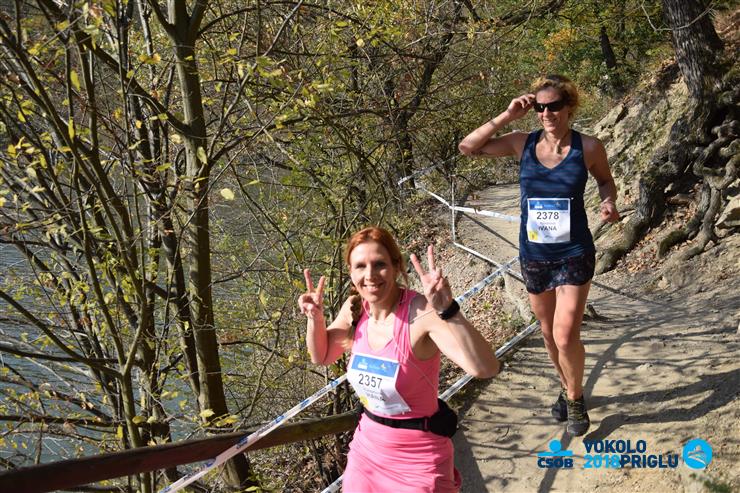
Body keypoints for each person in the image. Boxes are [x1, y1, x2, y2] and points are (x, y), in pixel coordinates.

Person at [458, 74, 620, 436]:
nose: (546, 113)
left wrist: (608, 201)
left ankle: (575, 398)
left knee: (565, 335)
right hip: (534, 255)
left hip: (574, 252)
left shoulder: (589, 147)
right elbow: (467, 147)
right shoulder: (522, 142)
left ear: (569, 106)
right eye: (540, 107)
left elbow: (605, 180)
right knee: (547, 334)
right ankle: (566, 386)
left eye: (554, 106)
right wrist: (507, 115)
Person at [298, 226, 499, 492]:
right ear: (351, 272)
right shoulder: (354, 308)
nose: (370, 275)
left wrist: (449, 310)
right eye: (360, 266)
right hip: (367, 451)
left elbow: (485, 368)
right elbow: (321, 355)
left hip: (419, 459)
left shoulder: (421, 312)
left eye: (379, 264)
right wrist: (315, 318)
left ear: (396, 267)